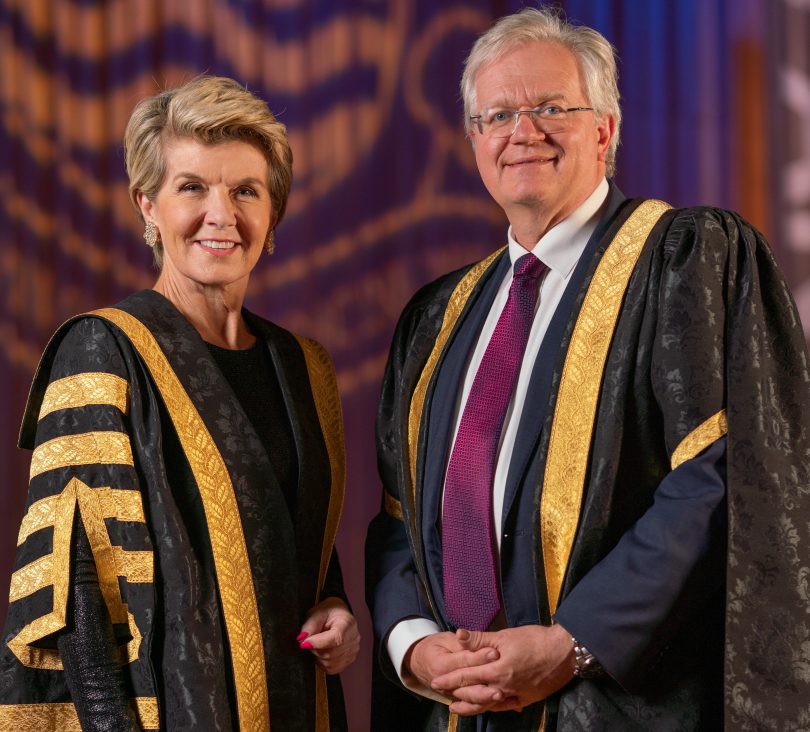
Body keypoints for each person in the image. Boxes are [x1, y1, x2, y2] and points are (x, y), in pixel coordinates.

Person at [366, 7, 810, 731]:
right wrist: (413, 645)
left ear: (604, 129)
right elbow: (398, 521)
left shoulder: (686, 263)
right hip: (462, 711)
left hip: (619, 703)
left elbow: (721, 477)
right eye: (497, 115)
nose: (522, 132)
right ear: (475, 140)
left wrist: (572, 643)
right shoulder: (439, 317)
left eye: (549, 108)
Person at [0, 75, 359, 731]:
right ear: (148, 205)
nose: (220, 214)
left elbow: (295, 537)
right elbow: (74, 594)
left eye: (245, 191)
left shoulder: (303, 366)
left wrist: (335, 607)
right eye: (192, 187)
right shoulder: (103, 352)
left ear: (273, 212)